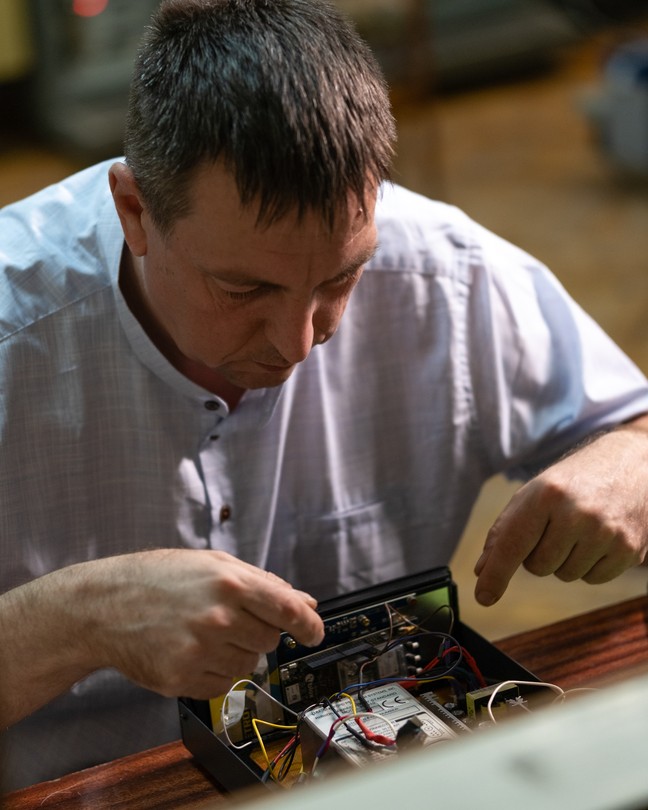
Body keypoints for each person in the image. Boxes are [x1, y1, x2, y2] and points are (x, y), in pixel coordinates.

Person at [1, 0, 648, 792]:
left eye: (341, 278)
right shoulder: (15, 335)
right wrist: (75, 618)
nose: (299, 343)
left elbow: (637, 438)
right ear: (135, 210)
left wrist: (629, 459)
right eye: (244, 288)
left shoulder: (442, 272)